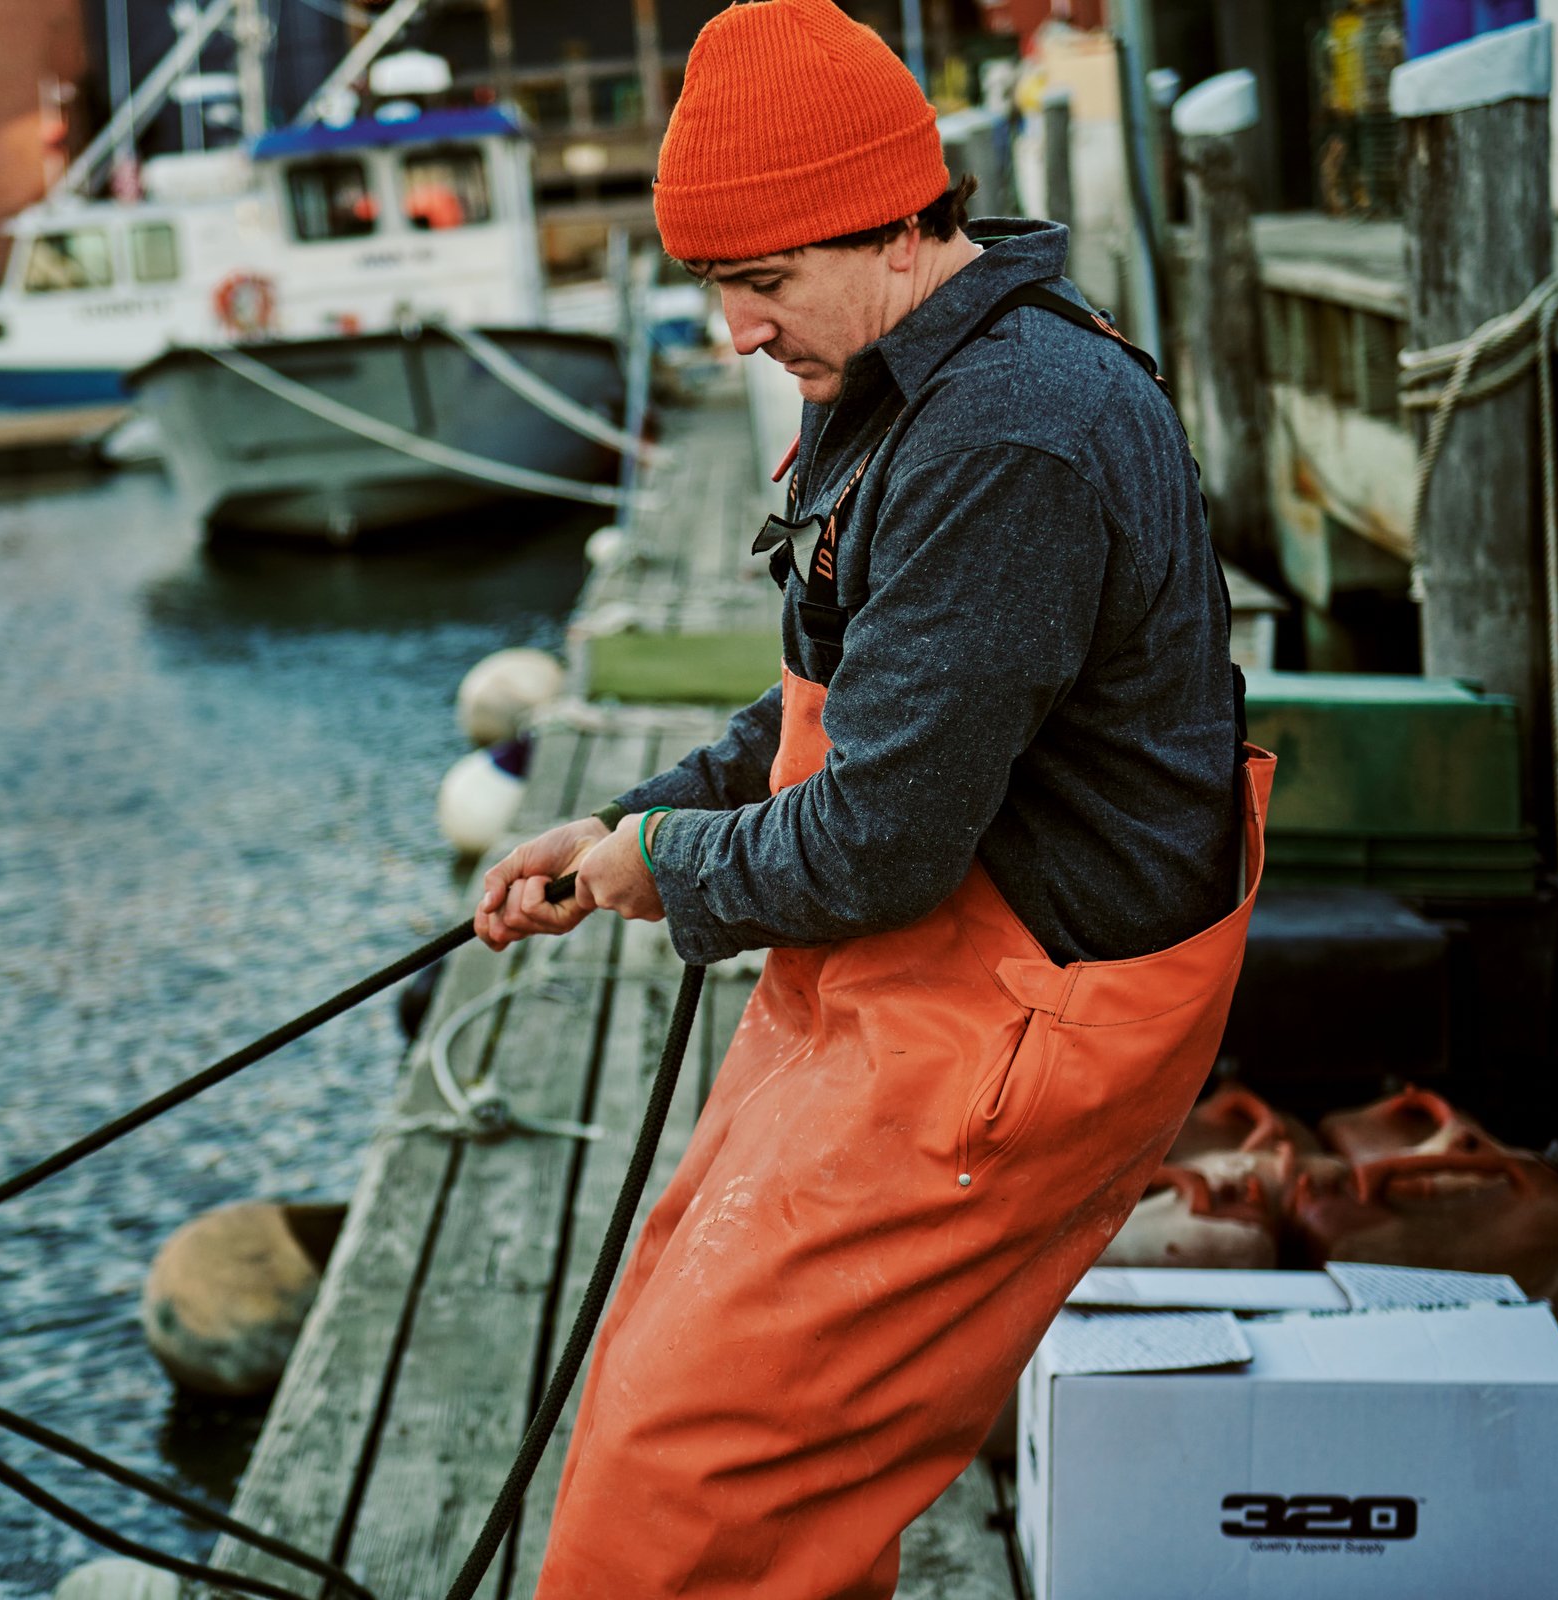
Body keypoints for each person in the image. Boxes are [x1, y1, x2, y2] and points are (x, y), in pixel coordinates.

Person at [470, 0, 1275, 1593]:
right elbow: (856, 693)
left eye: (762, 285)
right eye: (719, 290)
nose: (738, 336)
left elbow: (883, 841)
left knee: (700, 1466)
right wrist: (636, 813)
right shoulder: (905, 371)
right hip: (913, 970)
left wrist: (659, 866)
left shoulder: (1013, 432)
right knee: (667, 1358)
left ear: (904, 226)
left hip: (1020, 1015)